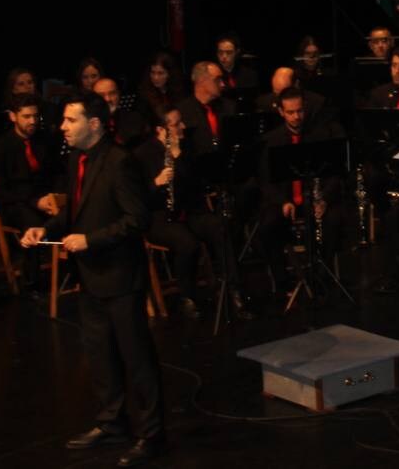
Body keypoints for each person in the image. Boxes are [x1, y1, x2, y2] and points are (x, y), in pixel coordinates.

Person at [20, 93, 165, 466]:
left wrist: (91, 240)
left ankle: (151, 434)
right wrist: (44, 228)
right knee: (100, 355)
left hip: (120, 275)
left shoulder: (120, 163)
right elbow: (76, 210)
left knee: (136, 358)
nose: (62, 127)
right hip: (92, 276)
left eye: (71, 120)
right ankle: (111, 422)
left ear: (95, 124)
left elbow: (137, 219)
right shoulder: (76, 159)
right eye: (64, 121)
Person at [135, 106, 253, 320]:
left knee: (220, 227)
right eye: (176, 123)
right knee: (187, 243)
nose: (182, 126)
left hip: (189, 211)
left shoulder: (188, 147)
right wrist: (156, 183)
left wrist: (179, 156)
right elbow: (137, 196)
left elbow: (197, 183)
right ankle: (187, 297)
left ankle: (233, 290)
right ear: (161, 130)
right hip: (160, 217)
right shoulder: (143, 154)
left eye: (181, 122)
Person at [256, 88, 347, 295]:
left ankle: (323, 276)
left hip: (314, 199)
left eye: (299, 111)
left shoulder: (320, 135)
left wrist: (323, 199)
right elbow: (265, 181)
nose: (296, 117)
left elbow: (335, 175)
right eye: (290, 112)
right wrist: (282, 201)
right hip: (285, 202)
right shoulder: (271, 140)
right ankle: (282, 281)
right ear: (280, 112)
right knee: (267, 226)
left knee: (334, 219)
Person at [0, 92, 61, 284]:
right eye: (26, 116)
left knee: (71, 211)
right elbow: (1, 191)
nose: (32, 121)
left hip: (41, 199)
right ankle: (32, 280)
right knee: (31, 221)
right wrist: (35, 202)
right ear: (13, 116)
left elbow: (55, 173)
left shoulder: (44, 141)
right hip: (14, 204)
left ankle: (70, 273)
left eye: (35, 116)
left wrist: (53, 198)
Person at [176, 62, 235, 156]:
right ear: (202, 81)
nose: (223, 84)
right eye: (217, 79)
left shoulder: (229, 107)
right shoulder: (182, 111)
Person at [93, 77, 149, 149]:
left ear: (118, 94)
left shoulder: (134, 119)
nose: (108, 99)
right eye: (101, 95)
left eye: (112, 93)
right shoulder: (87, 122)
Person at [135, 52, 184, 124]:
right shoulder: (144, 95)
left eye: (160, 73)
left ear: (169, 74)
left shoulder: (178, 91)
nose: (155, 77)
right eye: (152, 72)